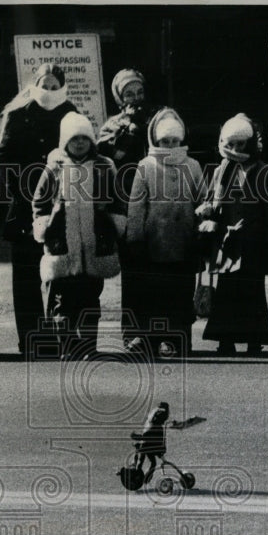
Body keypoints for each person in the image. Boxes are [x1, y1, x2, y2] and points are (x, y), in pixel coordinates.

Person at [0, 63, 77, 358]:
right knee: (26, 275)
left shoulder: (72, 113)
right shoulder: (19, 114)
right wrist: (25, 190)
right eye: (45, 85)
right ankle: (30, 339)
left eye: (56, 86)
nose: (50, 91)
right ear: (35, 85)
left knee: (59, 275)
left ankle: (60, 335)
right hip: (25, 206)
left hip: (61, 205)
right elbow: (4, 157)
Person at [32, 111, 126, 360]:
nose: (80, 143)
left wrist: (114, 224)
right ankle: (68, 346)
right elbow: (39, 202)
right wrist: (45, 225)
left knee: (89, 301)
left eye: (85, 138)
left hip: (94, 245)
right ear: (65, 141)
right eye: (75, 139)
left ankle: (87, 347)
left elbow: (118, 200)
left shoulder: (104, 167)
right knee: (62, 302)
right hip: (61, 247)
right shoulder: (54, 169)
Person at [197, 113, 268, 356]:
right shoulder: (221, 170)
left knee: (253, 291)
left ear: (250, 143)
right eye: (231, 144)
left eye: (240, 144)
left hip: (253, 241)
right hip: (227, 241)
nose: (235, 149)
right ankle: (226, 340)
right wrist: (207, 211)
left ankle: (254, 340)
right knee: (226, 291)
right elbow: (212, 198)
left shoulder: (264, 171)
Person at [125, 107, 204, 357]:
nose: (170, 145)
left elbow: (202, 198)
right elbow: (136, 205)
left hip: (184, 240)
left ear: (181, 140)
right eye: (165, 141)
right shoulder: (146, 166)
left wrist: (203, 224)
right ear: (156, 140)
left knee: (181, 293)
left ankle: (179, 339)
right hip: (154, 241)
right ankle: (151, 339)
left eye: (174, 141)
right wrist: (135, 238)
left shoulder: (192, 166)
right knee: (155, 294)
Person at [98, 69, 158, 348]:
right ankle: (133, 332)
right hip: (127, 200)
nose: (136, 98)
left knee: (159, 267)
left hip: (159, 200)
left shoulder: (157, 117)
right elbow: (109, 157)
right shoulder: (112, 125)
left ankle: (161, 331)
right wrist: (127, 132)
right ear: (119, 97)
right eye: (129, 93)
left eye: (139, 91)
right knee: (133, 269)